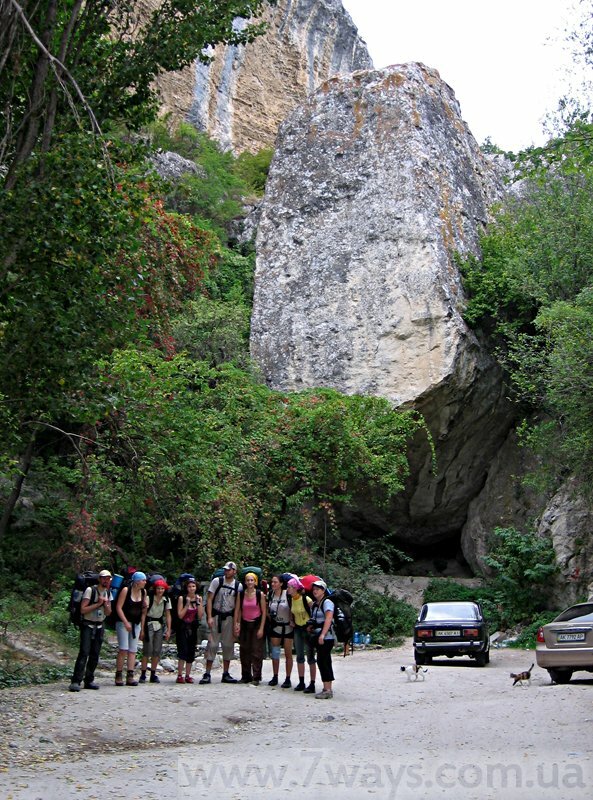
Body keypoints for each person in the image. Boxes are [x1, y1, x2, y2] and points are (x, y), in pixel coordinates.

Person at [69, 569, 113, 692]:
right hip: (87, 625)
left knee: (95, 654)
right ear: (99, 579)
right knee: (84, 652)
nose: (106, 580)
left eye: (108, 578)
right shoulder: (90, 590)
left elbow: (109, 613)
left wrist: (106, 605)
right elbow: (83, 609)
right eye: (104, 578)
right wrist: (98, 604)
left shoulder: (108, 592)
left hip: (99, 625)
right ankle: (76, 680)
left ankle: (89, 680)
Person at [200, 561, 241, 684]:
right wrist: (210, 617)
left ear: (234, 571)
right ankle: (207, 673)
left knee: (228, 645)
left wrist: (236, 622)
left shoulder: (238, 586)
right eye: (226, 569)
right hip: (216, 616)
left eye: (229, 570)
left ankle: (226, 673)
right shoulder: (217, 581)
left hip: (229, 617)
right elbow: (210, 599)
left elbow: (238, 605)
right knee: (212, 644)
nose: (226, 571)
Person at [115, 571, 148, 686]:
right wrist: (125, 622)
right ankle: (118, 674)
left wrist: (142, 628)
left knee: (133, 650)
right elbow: (119, 607)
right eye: (143, 580)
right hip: (123, 622)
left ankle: (130, 674)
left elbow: (143, 612)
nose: (145, 582)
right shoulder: (126, 590)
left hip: (136, 623)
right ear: (137, 581)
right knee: (123, 649)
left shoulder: (143, 592)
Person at [233, 571, 267, 685]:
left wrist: (262, 628)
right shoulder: (241, 594)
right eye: (248, 580)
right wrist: (236, 624)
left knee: (256, 651)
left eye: (252, 580)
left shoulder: (259, 594)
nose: (250, 582)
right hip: (244, 624)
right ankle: (246, 675)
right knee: (244, 650)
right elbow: (237, 610)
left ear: (255, 581)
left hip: (256, 623)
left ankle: (256, 677)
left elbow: (264, 612)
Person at [287, 576, 317, 693]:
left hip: (308, 629)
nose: (288, 589)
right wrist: (291, 621)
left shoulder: (306, 599)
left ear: (295, 588)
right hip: (298, 629)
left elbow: (314, 612)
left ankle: (312, 683)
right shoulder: (291, 599)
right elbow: (291, 611)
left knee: (310, 656)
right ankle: (301, 682)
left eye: (289, 587)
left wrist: (312, 625)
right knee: (299, 656)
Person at [140, 579, 172, 683]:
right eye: (158, 588)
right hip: (149, 624)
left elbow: (168, 615)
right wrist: (142, 629)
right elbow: (144, 614)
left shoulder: (166, 599)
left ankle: (153, 674)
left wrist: (168, 630)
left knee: (157, 651)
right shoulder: (149, 598)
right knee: (147, 650)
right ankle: (143, 674)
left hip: (159, 625)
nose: (160, 590)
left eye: (162, 588)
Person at [308, 579, 335, 699]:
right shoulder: (315, 604)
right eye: (314, 589)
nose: (315, 591)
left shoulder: (327, 602)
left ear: (323, 591)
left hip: (326, 637)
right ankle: (327, 688)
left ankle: (327, 689)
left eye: (317, 589)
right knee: (322, 661)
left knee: (324, 661)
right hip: (319, 636)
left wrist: (323, 635)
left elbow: (328, 619)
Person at [267, 574, 294, 687]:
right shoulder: (270, 595)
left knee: (288, 653)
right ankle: (275, 676)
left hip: (288, 626)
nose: (273, 584)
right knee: (275, 653)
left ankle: (288, 678)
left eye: (275, 582)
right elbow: (267, 610)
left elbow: (293, 608)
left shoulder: (287, 594)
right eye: (272, 582)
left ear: (281, 584)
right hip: (275, 626)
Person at [176, 577, 203, 683]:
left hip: (193, 627)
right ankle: (179, 675)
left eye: (193, 586)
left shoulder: (198, 599)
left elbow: (200, 616)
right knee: (182, 651)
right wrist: (187, 604)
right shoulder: (182, 598)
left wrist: (199, 603)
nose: (191, 588)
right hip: (182, 627)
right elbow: (180, 615)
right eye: (189, 586)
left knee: (191, 651)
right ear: (186, 588)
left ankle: (187, 674)